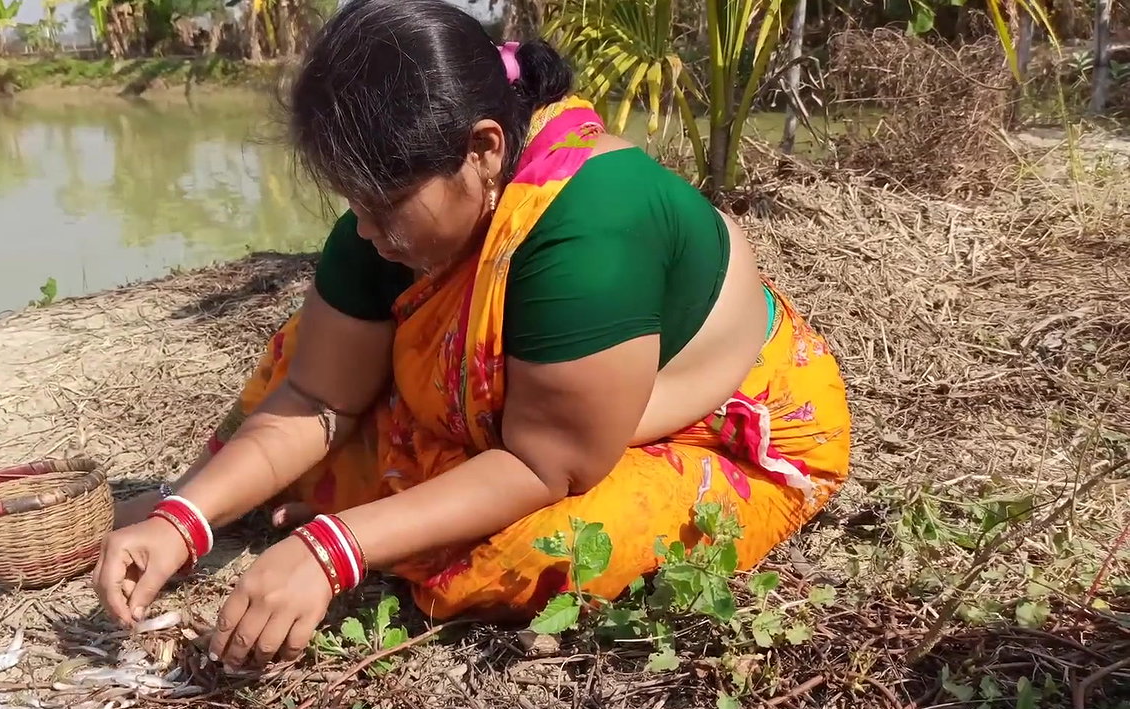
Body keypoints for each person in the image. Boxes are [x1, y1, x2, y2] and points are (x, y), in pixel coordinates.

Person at [92, 0, 851, 670]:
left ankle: (388, 515)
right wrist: (181, 519)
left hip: (688, 435)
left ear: (485, 148)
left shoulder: (591, 229)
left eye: (385, 204)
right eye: (353, 203)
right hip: (525, 416)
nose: (366, 231)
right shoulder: (389, 217)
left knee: (533, 550)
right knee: (301, 360)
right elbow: (317, 394)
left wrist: (332, 550)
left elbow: (547, 463)